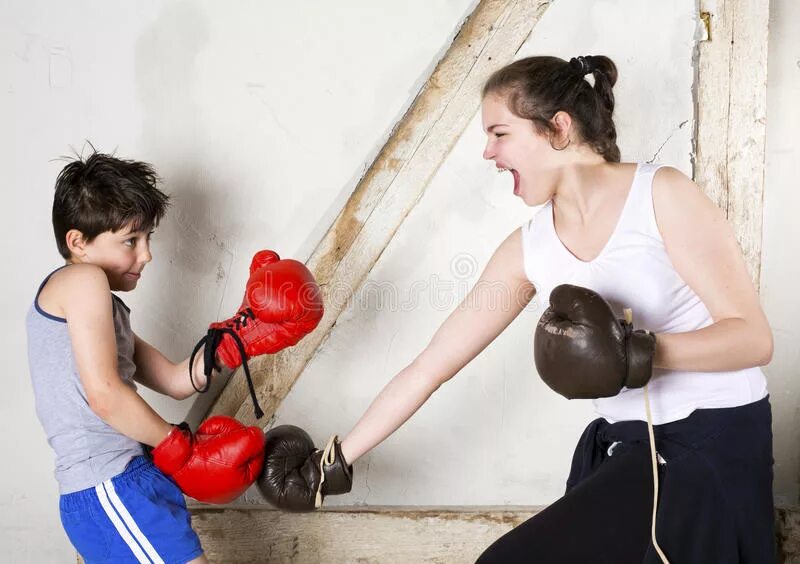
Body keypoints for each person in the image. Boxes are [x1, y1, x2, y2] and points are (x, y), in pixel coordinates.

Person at [258, 55, 775, 563]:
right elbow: (429, 366)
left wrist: (638, 353)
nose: (487, 152)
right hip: (629, 452)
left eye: (499, 133)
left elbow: (753, 339)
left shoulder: (661, 196)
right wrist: (335, 462)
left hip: (711, 441)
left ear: (558, 129)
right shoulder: (527, 250)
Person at [27, 150, 323, 563]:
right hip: (111, 485)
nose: (146, 254)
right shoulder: (83, 281)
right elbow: (105, 395)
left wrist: (238, 337)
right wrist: (177, 445)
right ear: (78, 241)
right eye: (131, 240)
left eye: (148, 238)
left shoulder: (98, 308)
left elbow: (173, 380)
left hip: (126, 480)